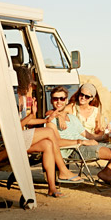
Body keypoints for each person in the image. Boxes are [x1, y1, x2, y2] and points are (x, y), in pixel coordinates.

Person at [46, 86, 111, 185]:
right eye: (55, 99)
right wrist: (82, 142)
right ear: (51, 101)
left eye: (62, 98)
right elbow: (56, 142)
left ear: (66, 100)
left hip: (87, 144)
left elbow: (87, 135)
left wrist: (103, 136)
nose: (59, 102)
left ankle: (108, 173)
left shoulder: (72, 118)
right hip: (74, 149)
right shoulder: (50, 120)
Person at [16, 67, 84, 198]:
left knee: (47, 144)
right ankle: (63, 170)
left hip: (21, 137)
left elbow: (28, 122)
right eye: (30, 83)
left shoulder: (24, 99)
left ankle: (52, 188)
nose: (32, 86)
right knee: (49, 131)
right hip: (13, 138)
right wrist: (32, 116)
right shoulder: (17, 99)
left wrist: (42, 117)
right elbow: (15, 126)